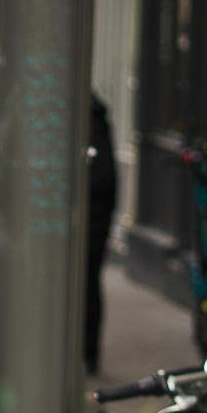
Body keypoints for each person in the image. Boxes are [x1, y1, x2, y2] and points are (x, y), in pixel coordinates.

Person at [85, 92, 118, 374]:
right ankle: (87, 352)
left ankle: (88, 352)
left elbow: (103, 180)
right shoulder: (97, 123)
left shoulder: (92, 125)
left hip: (91, 224)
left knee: (87, 285)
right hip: (93, 221)